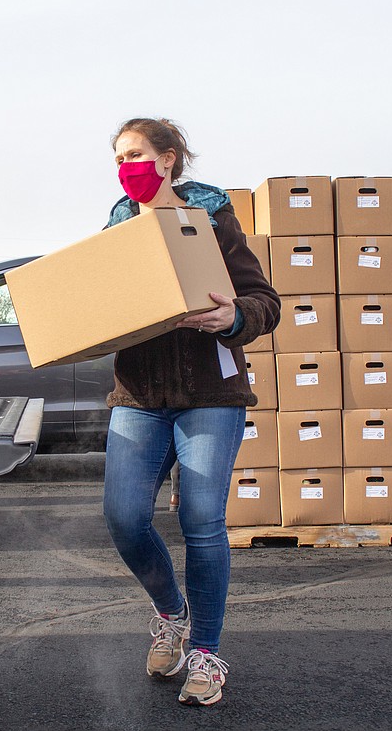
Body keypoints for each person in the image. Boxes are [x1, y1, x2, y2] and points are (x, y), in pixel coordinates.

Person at [101, 118, 280, 706]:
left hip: (209, 391)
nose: (126, 165)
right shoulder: (115, 230)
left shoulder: (213, 219)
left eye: (136, 154)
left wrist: (232, 318)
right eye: (118, 156)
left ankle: (205, 652)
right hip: (139, 397)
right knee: (126, 518)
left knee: (202, 520)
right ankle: (170, 612)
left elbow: (263, 302)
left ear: (169, 159)